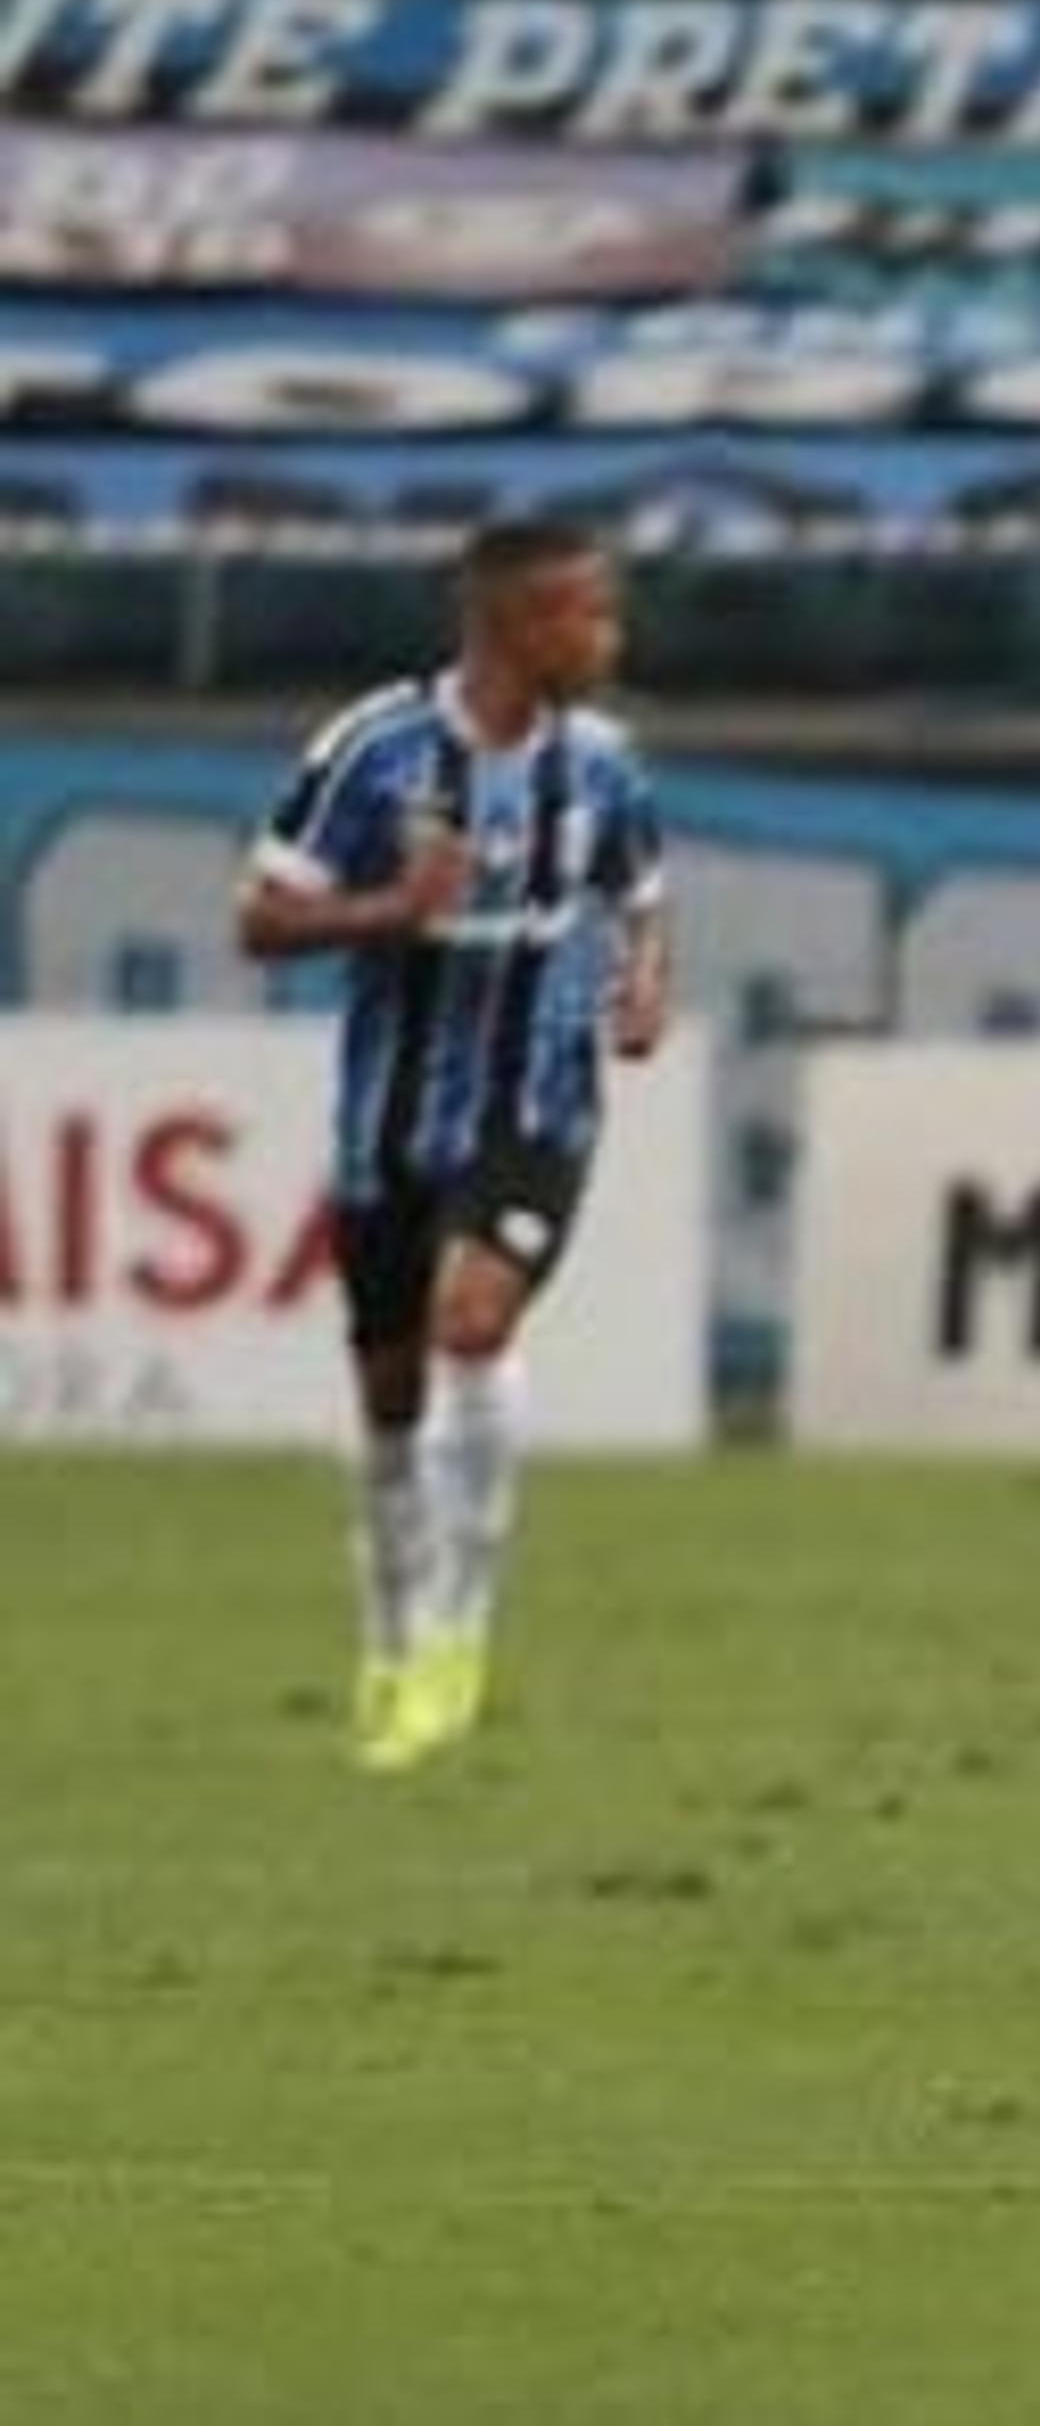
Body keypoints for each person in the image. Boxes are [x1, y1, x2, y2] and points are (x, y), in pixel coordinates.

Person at [236, 516, 671, 1773]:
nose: (608, 635)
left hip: (539, 1098)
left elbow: (641, 895)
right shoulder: (375, 750)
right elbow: (261, 915)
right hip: (392, 1116)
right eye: (586, 614)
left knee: (473, 1322)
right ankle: (388, 1637)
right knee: (389, 1396)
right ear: (511, 624)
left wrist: (646, 985)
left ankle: (457, 1637)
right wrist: (392, 908)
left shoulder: (603, 764)